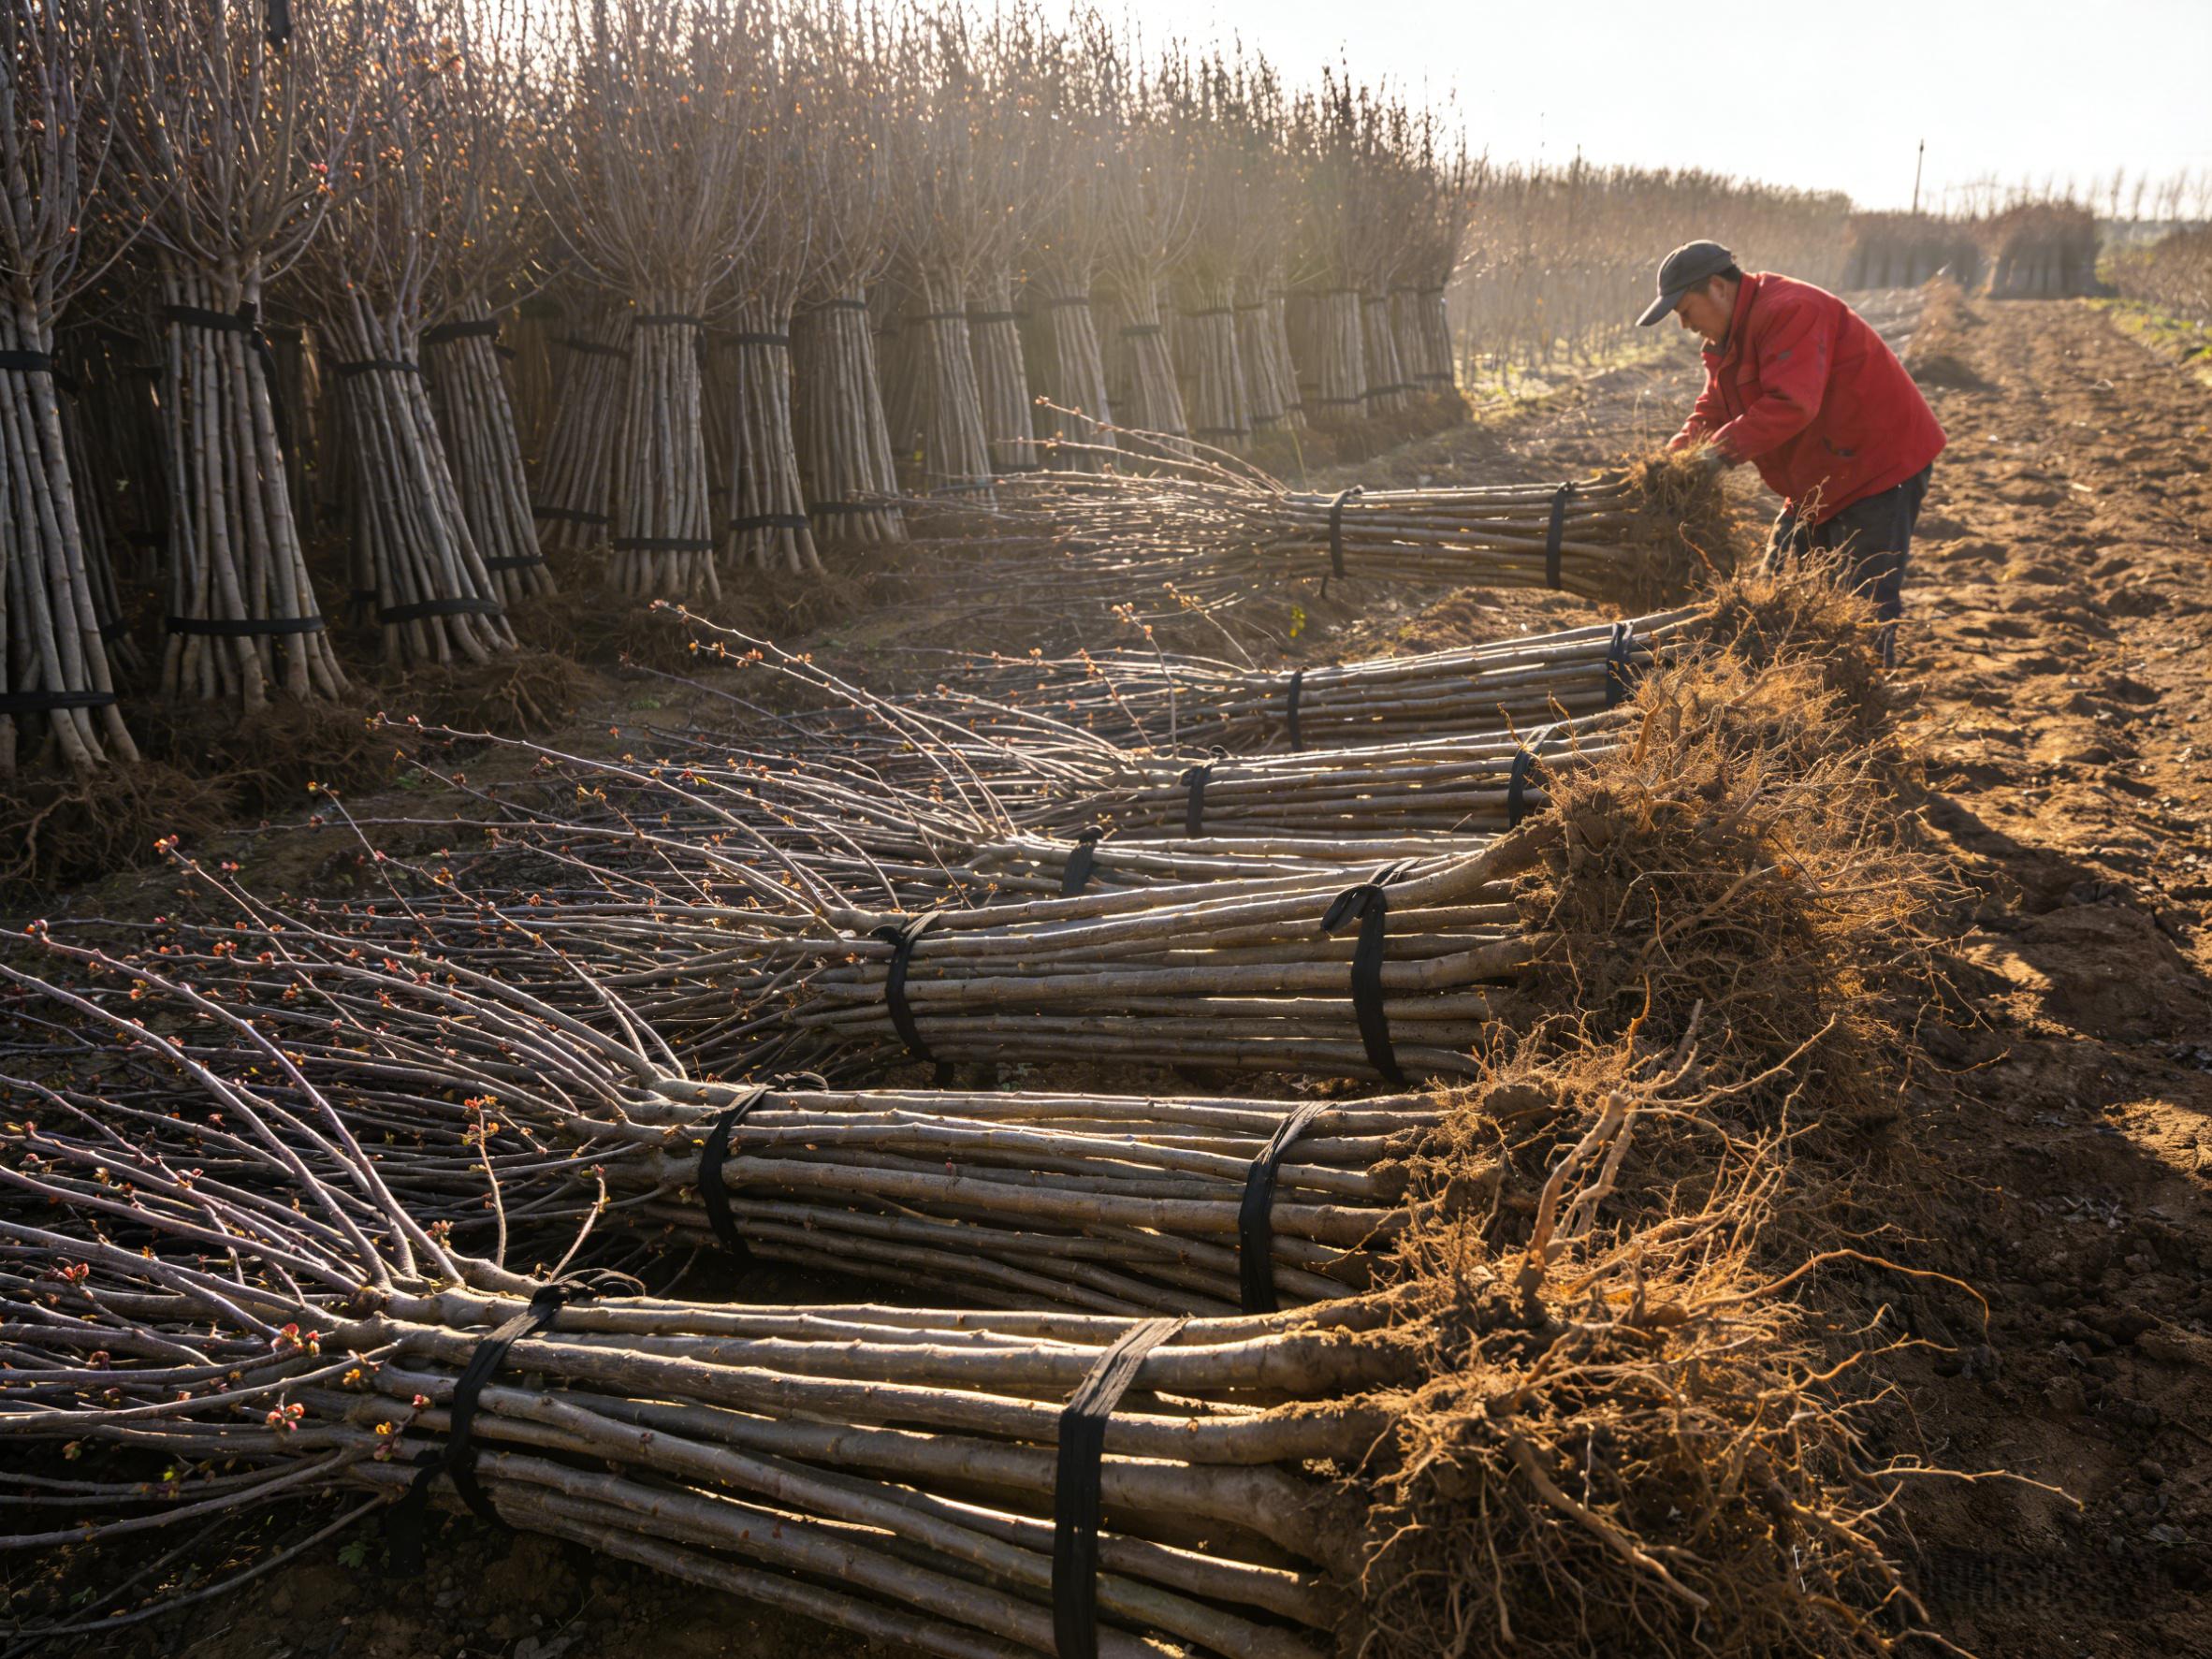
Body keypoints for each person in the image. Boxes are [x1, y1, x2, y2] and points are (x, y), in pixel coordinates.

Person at [1639, 240, 1945, 664]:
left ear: (1718, 288)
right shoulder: (1728, 339)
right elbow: (1714, 407)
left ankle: (1867, 689)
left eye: (1685, 310)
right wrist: (1673, 461)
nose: (1685, 325)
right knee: (1779, 583)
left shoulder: (1789, 309)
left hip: (1877, 465)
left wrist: (1715, 456)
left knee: (1862, 601)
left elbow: (1792, 404)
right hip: (1821, 472)